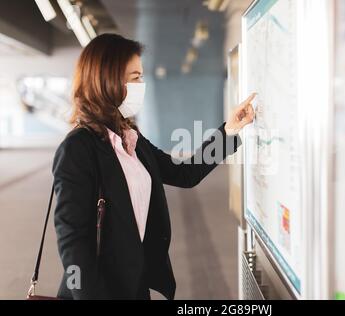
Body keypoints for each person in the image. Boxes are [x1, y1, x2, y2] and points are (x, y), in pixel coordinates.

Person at [52, 33, 256, 300]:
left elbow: (184, 173)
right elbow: (72, 242)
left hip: (135, 287)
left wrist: (229, 131)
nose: (142, 84)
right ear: (108, 80)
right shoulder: (79, 149)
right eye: (135, 77)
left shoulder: (130, 137)